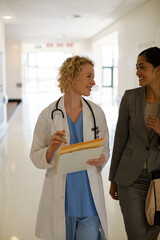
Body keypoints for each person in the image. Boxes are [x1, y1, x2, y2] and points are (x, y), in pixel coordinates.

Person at [30, 55, 110, 240]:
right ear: (70, 76)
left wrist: (103, 158)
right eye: (88, 76)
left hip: (88, 198)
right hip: (61, 197)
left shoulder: (96, 113)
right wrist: (51, 149)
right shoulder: (48, 114)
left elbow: (105, 148)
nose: (93, 82)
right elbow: (35, 156)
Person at [109, 46, 160, 240]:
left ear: (158, 69)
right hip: (130, 178)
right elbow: (120, 138)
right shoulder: (130, 98)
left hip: (159, 179)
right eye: (136, 68)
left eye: (142, 67)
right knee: (137, 234)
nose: (137, 72)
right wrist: (113, 178)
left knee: (153, 231)